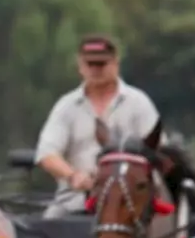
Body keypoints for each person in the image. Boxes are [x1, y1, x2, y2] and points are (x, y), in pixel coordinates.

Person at [33, 33, 161, 219]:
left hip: (129, 204)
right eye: (90, 64)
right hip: (75, 202)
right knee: (44, 233)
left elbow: (158, 150)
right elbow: (47, 153)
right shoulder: (67, 106)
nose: (96, 69)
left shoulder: (138, 103)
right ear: (80, 66)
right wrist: (73, 175)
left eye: (101, 64)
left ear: (115, 64)